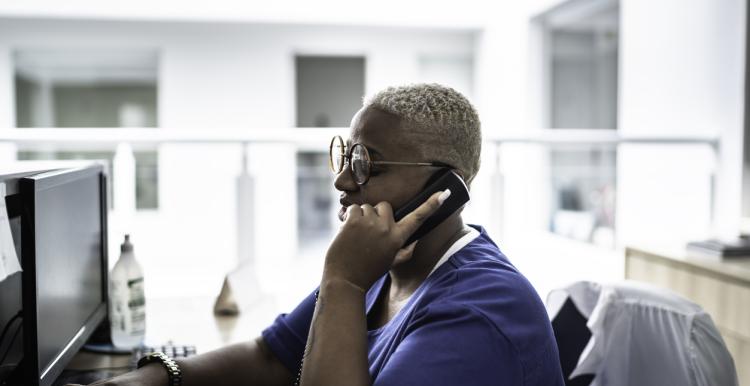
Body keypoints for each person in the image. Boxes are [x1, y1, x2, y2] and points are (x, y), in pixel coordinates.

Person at [75, 83, 564, 386]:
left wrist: (343, 281)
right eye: (347, 156)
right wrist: (149, 379)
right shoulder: (388, 261)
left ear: (445, 188)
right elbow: (273, 357)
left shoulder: (480, 312)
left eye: (367, 164)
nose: (343, 181)